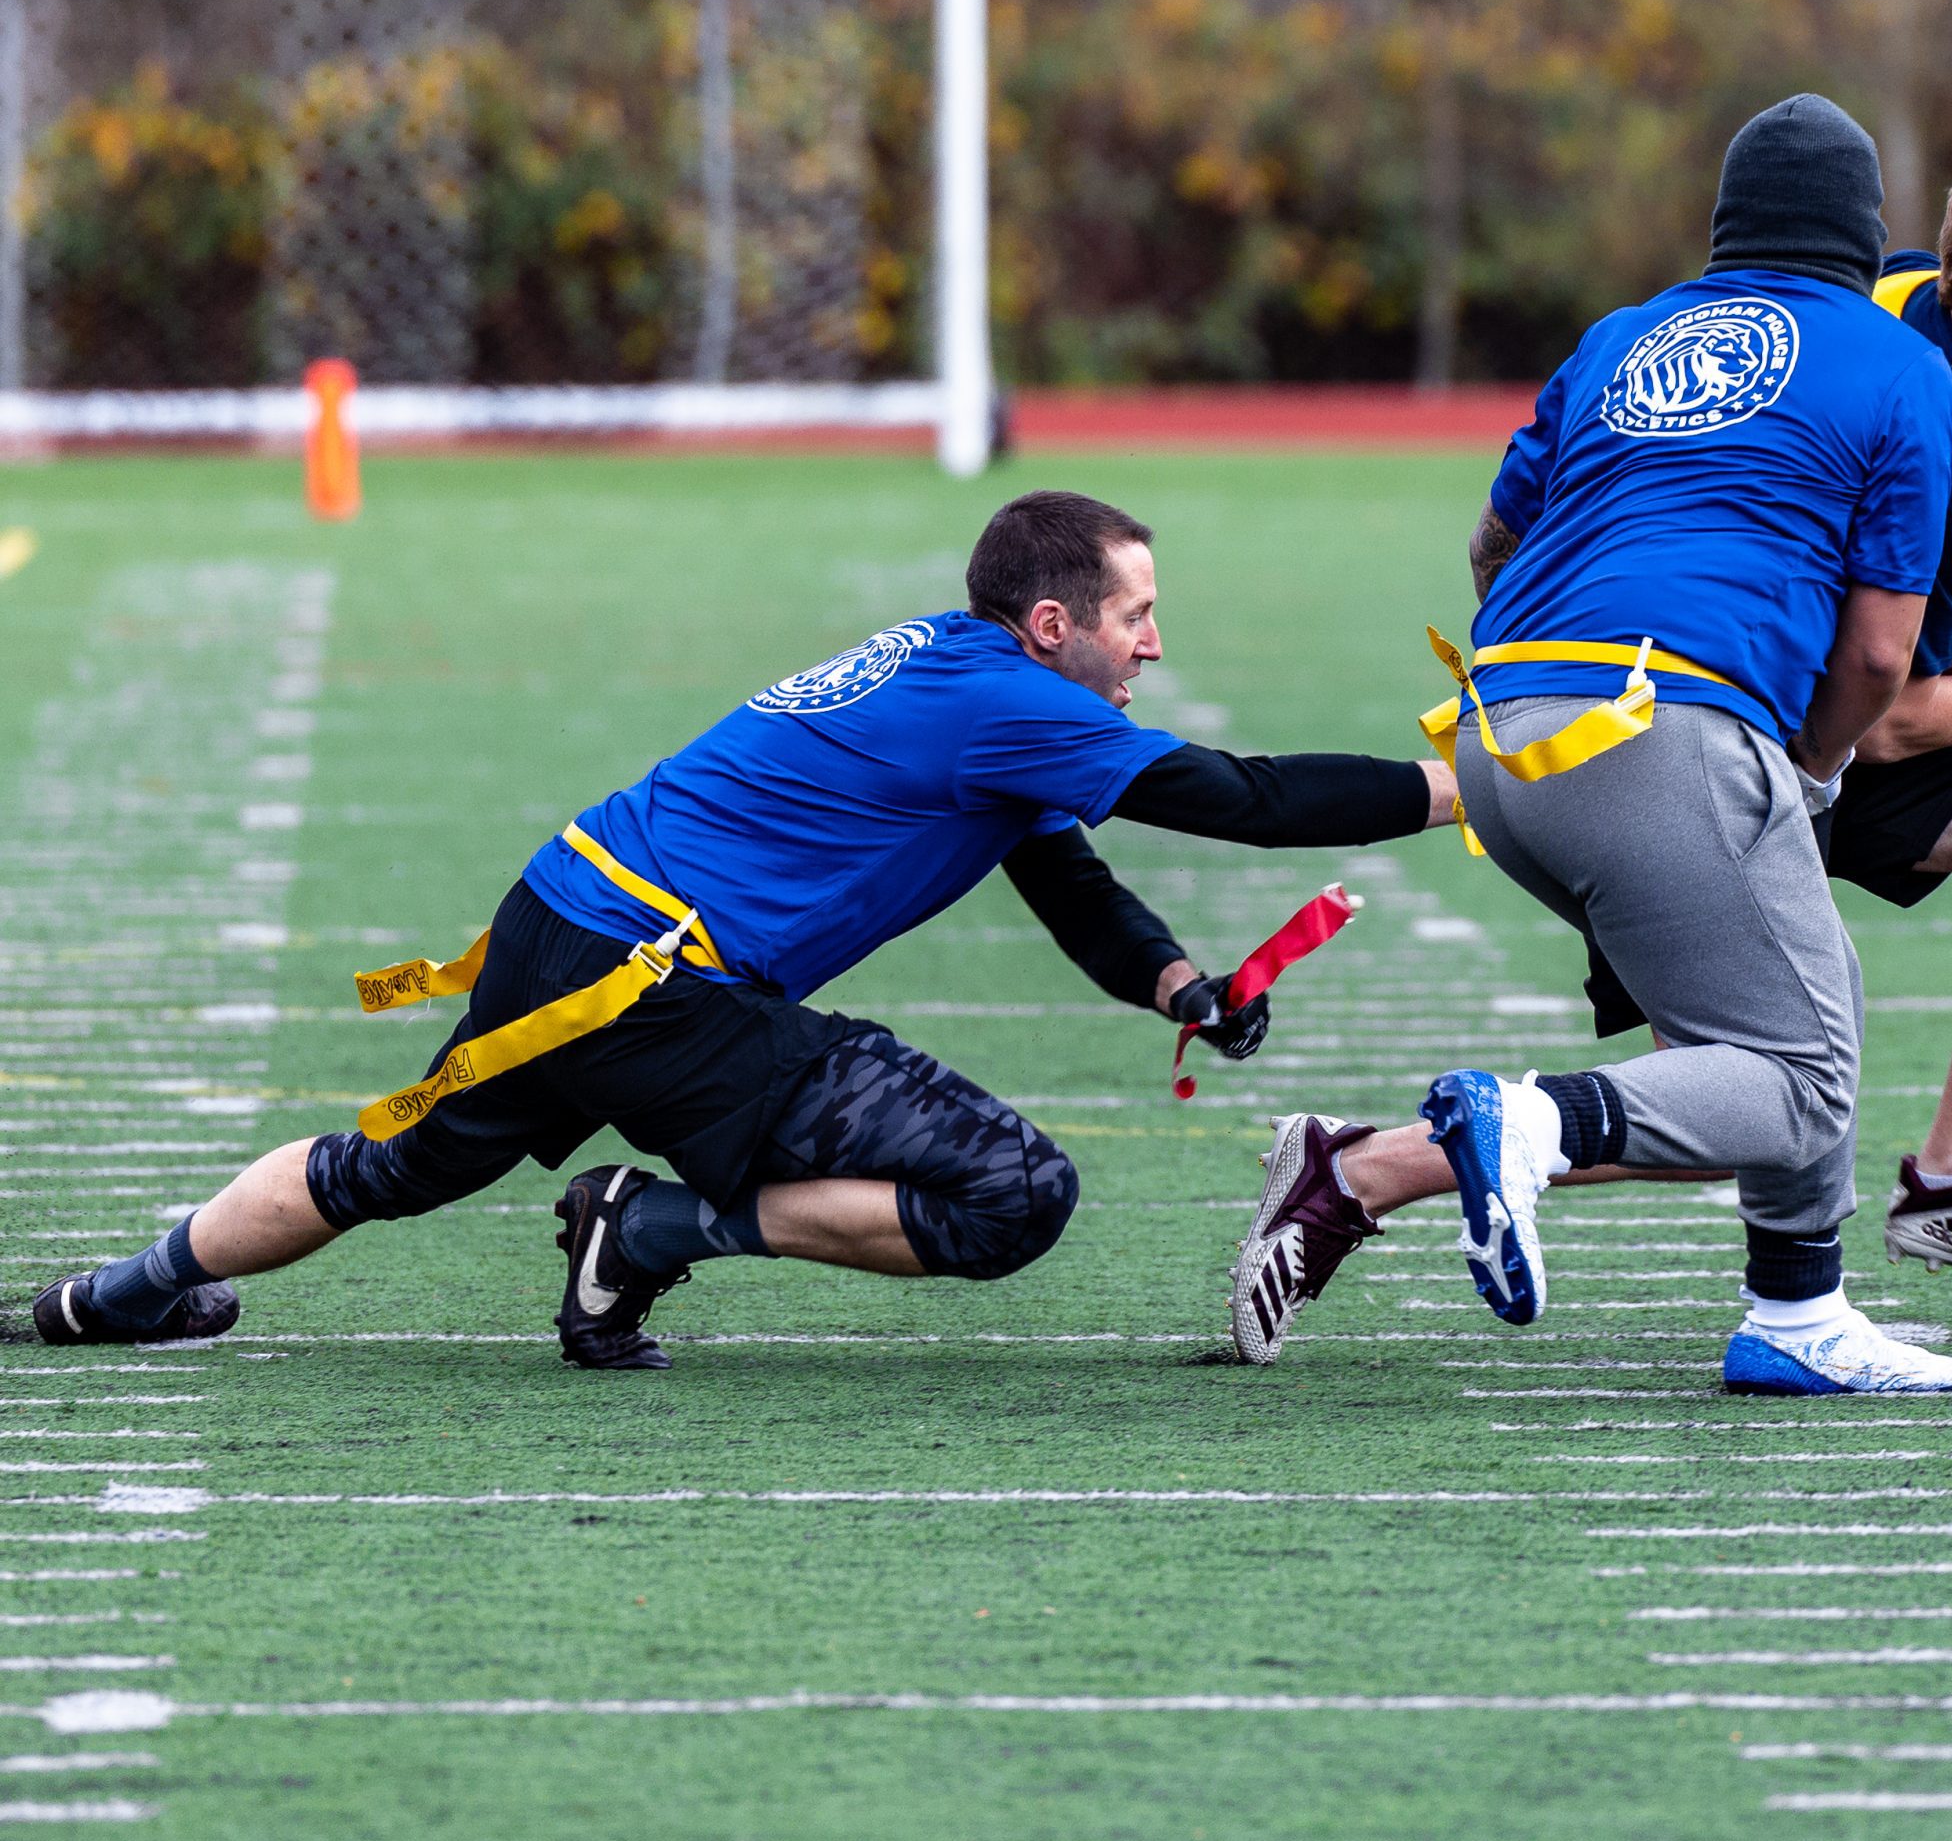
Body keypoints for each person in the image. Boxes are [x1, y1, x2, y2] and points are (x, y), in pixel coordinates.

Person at [31, 489, 1453, 1367]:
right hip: (657, 991)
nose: (1152, 643)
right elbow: (1249, 802)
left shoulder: (965, 674)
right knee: (1016, 1195)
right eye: (1135, 615)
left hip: (560, 920)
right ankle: (644, 1228)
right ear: (1046, 625)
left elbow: (1057, 870)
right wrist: (1468, 789)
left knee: (384, 1167)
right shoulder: (1012, 700)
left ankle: (115, 1295)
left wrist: (1175, 980)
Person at [1222, 92, 1952, 1395]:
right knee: (1802, 1079)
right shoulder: (1898, 360)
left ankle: (1796, 1313)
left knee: (1816, 997)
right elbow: (1874, 659)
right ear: (1870, 239)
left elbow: (1491, 542)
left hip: (1498, 732)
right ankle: (1523, 1119)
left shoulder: (1624, 334)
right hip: (1654, 726)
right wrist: (1806, 773)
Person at [1565, 133, 1952, 1296]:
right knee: (1748, 1101)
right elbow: (1884, 717)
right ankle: (1375, 1159)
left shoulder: (1896, 284)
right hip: (1748, 735)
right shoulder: (1927, 420)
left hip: (1770, 699)